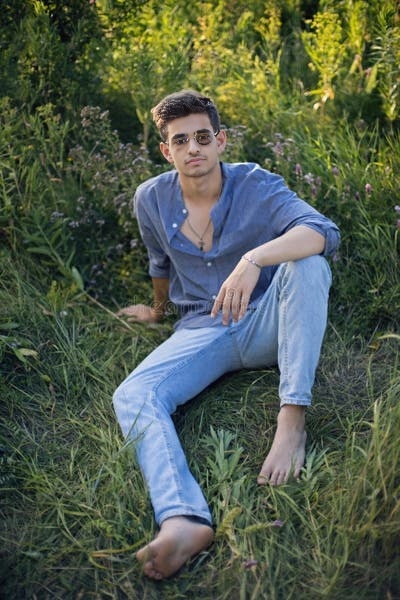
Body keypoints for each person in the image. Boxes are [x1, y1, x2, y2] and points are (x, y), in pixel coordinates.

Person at [113, 90, 340, 580]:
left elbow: (322, 231)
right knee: (133, 394)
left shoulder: (256, 183)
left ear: (220, 141)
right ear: (166, 150)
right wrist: (157, 311)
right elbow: (159, 263)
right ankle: (182, 519)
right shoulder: (151, 198)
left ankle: (292, 419)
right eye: (181, 141)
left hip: (268, 322)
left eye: (202, 137)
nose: (193, 148)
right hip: (203, 328)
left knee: (309, 265)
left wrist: (253, 259)